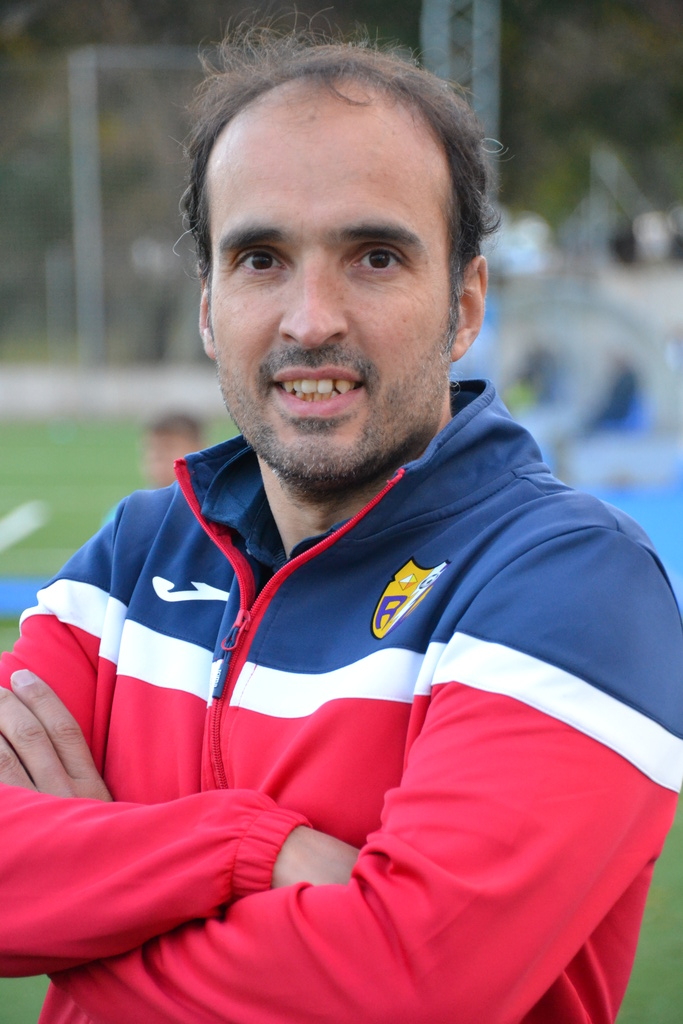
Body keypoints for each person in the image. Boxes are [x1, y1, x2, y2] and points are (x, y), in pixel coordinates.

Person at [0, 27, 682, 1024]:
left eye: (373, 257)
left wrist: (82, 900)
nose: (309, 317)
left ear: (464, 305)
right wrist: (247, 849)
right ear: (208, 307)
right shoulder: (132, 556)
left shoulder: (573, 581)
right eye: (261, 258)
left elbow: (406, 988)